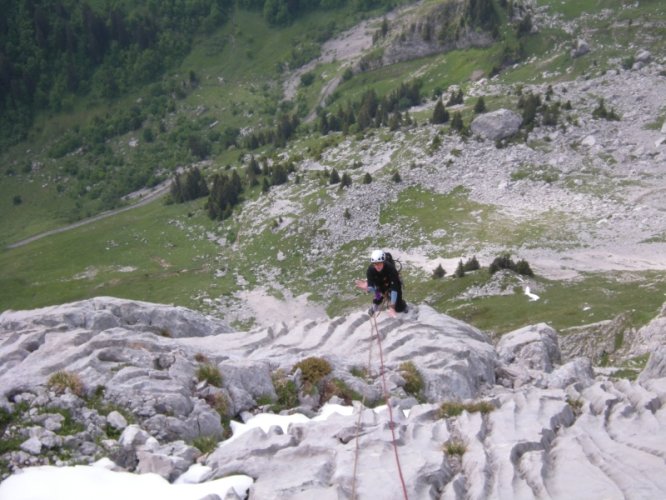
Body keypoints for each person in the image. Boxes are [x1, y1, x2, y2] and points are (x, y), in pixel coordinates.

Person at [355, 250, 407, 317]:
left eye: (379, 263)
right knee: (378, 296)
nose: (377, 266)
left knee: (398, 307)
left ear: (383, 262)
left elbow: (395, 289)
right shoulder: (370, 270)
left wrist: (392, 307)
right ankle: (375, 305)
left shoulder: (390, 268)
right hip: (379, 284)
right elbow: (372, 287)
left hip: (392, 283)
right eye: (375, 264)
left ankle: (403, 306)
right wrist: (368, 288)